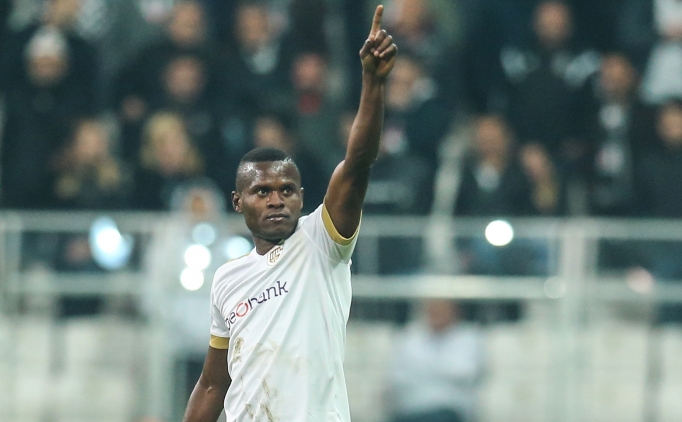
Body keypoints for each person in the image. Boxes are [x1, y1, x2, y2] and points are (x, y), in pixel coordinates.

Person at [182, 6, 397, 422]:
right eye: (262, 191)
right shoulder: (228, 279)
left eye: (287, 190)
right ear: (238, 202)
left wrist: (373, 82)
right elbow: (212, 384)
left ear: (302, 198)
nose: (276, 200)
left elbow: (357, 164)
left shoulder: (322, 242)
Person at [384, 300, 484, 422]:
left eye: (442, 310)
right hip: (411, 407)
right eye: (433, 310)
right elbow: (397, 376)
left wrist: (421, 369)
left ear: (454, 312)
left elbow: (465, 373)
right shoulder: (410, 335)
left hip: (450, 408)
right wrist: (440, 369)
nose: (437, 315)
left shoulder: (468, 337)